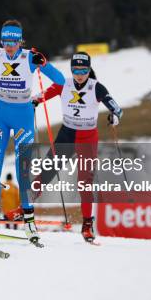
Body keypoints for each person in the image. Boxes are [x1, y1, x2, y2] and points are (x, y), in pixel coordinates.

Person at [0, 19, 65, 244]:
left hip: (23, 117)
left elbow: (60, 80)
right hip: (0, 116)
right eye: (5, 41)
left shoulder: (28, 57)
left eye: (14, 41)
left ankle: (29, 221)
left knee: (23, 170)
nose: (9, 46)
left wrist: (43, 63)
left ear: (20, 41)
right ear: (1, 41)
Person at [33, 52, 123, 243]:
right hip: (67, 134)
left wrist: (114, 117)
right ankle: (24, 209)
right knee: (47, 171)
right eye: (76, 70)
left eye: (83, 70)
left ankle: (87, 224)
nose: (79, 74)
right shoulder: (63, 83)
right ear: (71, 69)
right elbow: (41, 95)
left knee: (84, 182)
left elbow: (117, 109)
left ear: (89, 69)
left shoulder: (96, 87)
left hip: (87, 137)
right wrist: (34, 101)